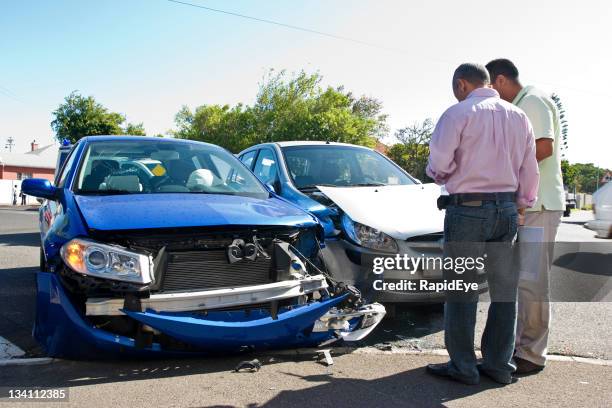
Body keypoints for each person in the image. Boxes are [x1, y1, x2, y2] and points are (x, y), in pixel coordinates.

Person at [425, 63, 539, 385]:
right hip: (506, 210)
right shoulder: (518, 117)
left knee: (462, 291)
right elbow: (530, 170)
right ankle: (499, 366)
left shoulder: (458, 113)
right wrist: (521, 204)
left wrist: (440, 174)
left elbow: (440, 165)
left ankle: (463, 367)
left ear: (462, 85)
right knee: (504, 293)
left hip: (468, 210)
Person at [486, 58, 565, 375]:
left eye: (490, 87)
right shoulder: (518, 105)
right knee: (521, 283)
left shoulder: (531, 100)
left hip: (540, 207)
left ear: (501, 80)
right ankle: (518, 349)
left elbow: (543, 147)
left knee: (532, 283)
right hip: (526, 207)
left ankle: (531, 355)